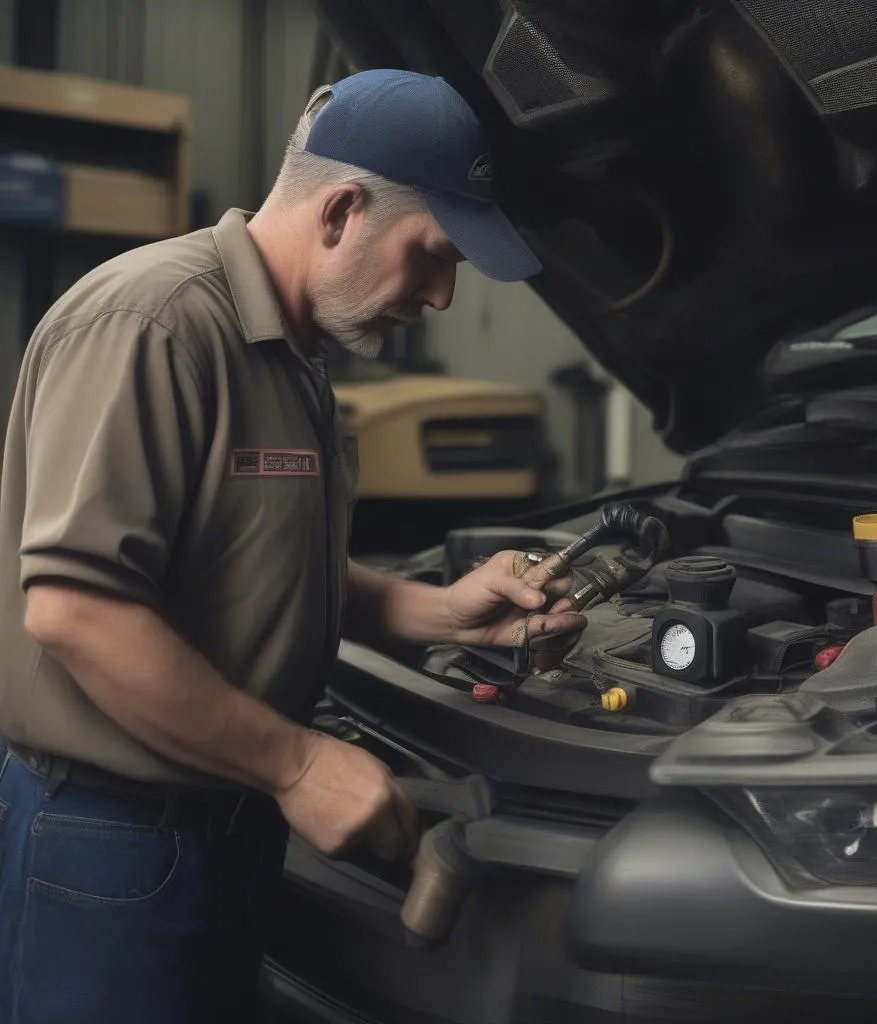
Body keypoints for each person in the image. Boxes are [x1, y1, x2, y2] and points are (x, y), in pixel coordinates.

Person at [0, 69, 587, 1023]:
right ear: (341, 211)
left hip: (228, 828)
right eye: (431, 256)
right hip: (109, 840)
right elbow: (76, 610)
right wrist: (297, 765)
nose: (440, 297)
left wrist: (439, 611)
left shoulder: (295, 356)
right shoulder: (153, 322)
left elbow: (251, 567)